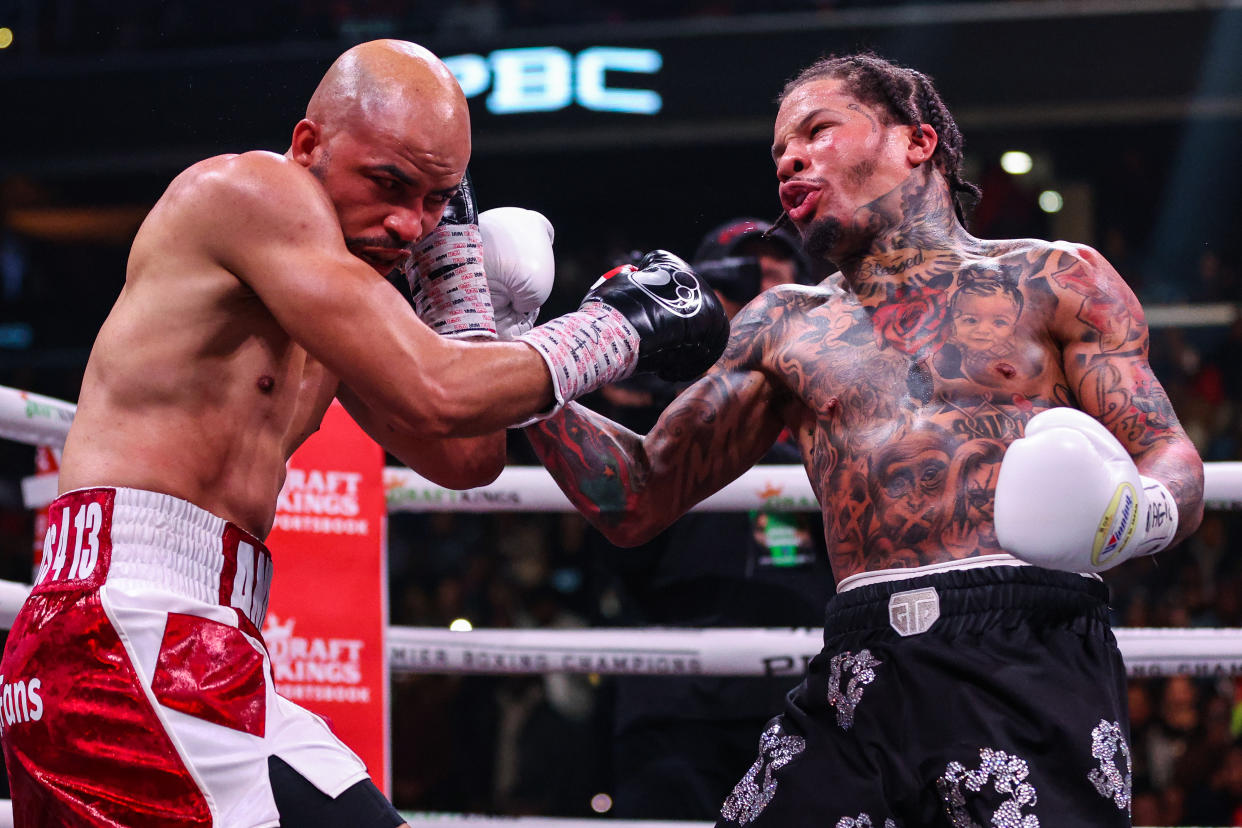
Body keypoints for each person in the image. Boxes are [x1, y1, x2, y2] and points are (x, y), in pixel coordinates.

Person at [0, 40, 728, 827]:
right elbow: (441, 391)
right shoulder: (252, 191)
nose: (409, 223)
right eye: (388, 183)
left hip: (208, 640)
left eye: (440, 201)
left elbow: (466, 457)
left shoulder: (340, 286)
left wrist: (469, 298)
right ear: (310, 144)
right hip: (125, 627)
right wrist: (620, 329)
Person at [525, 52, 1205, 827]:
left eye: (817, 131)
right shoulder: (783, 324)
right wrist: (527, 361)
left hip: (1028, 649)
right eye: (780, 151)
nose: (791, 160)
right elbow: (637, 496)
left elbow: (1168, 453)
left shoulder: (1054, 278)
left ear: (918, 143)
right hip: (858, 667)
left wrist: (1138, 512)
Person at [601, 218, 836, 820]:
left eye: (777, 285)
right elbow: (614, 524)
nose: (762, 300)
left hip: (799, 685)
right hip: (673, 687)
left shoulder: (836, 398)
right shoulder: (647, 385)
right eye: (744, 286)